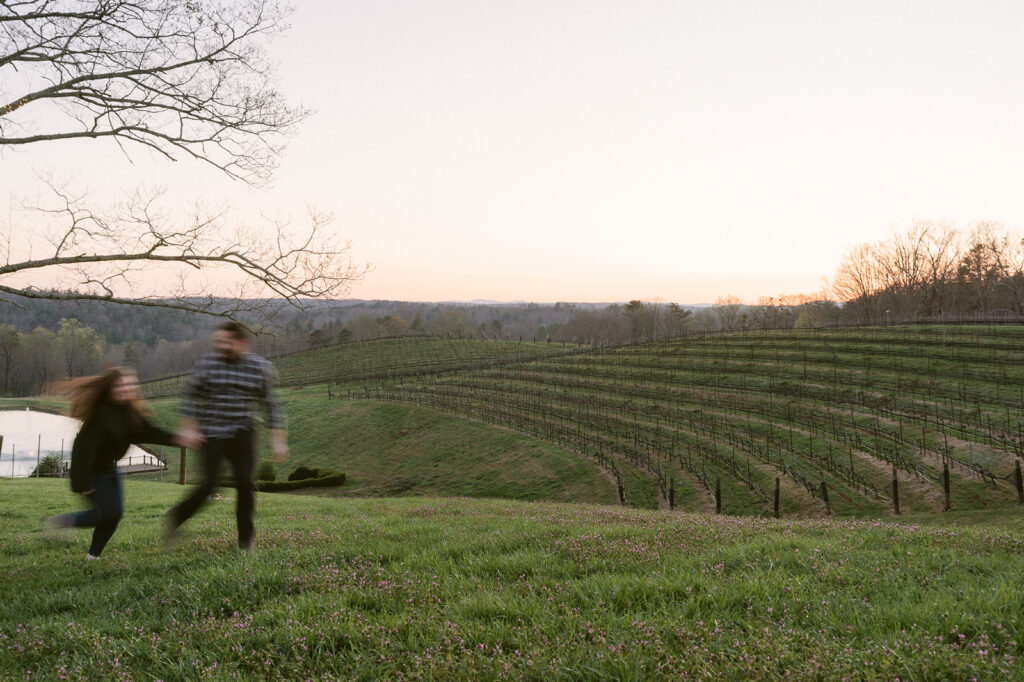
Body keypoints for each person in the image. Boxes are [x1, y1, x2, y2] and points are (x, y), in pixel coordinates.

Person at [46, 367, 198, 560]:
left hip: (109, 468)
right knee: (105, 513)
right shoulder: (100, 414)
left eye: (130, 384)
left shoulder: (130, 412)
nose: (125, 389)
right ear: (110, 388)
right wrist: (82, 483)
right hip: (91, 473)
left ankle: (92, 555)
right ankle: (65, 522)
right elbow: (83, 448)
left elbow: (151, 432)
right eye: (120, 385)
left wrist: (179, 438)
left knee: (114, 514)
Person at [166, 321, 289, 551]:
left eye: (226, 342)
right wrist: (189, 428)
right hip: (212, 432)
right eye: (218, 342)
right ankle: (176, 517)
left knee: (246, 484)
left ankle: (246, 541)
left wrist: (278, 441)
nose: (221, 346)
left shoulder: (259, 368)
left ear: (242, 342)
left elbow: (272, 405)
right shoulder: (209, 364)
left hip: (243, 432)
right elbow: (190, 395)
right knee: (210, 486)